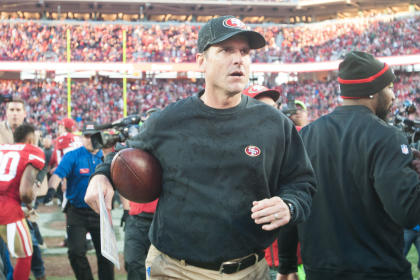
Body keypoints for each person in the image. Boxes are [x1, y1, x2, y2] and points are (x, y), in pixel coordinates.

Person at [85, 15, 316, 280]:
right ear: (201, 62)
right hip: (176, 270)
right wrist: (102, 175)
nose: (238, 59)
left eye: (244, 52)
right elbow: (126, 152)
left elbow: (302, 183)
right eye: (226, 50)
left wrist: (289, 205)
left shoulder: (275, 124)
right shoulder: (169, 120)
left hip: (251, 270)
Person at [285, 51, 420, 280]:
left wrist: (287, 263)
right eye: (388, 88)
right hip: (377, 271)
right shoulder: (386, 136)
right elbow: (408, 212)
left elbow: (289, 202)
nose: (393, 96)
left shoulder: (306, 135)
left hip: (320, 271)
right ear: (372, 92)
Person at [48, 122, 114, 280]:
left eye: (93, 136)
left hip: (100, 212)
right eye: (87, 136)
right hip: (76, 211)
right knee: (75, 252)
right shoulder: (72, 155)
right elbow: (58, 174)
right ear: (82, 137)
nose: (90, 139)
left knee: (106, 254)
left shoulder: (107, 157)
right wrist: (51, 189)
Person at [0, 123, 45, 280]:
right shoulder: (33, 151)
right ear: (31, 139)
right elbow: (25, 193)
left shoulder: (3, 148)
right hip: (7, 208)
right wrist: (28, 205)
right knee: (25, 255)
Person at [120, 108, 159, 280]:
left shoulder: (169, 152)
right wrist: (125, 209)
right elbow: (121, 182)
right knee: (132, 263)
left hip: (160, 221)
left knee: (159, 268)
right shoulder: (135, 150)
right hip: (135, 219)